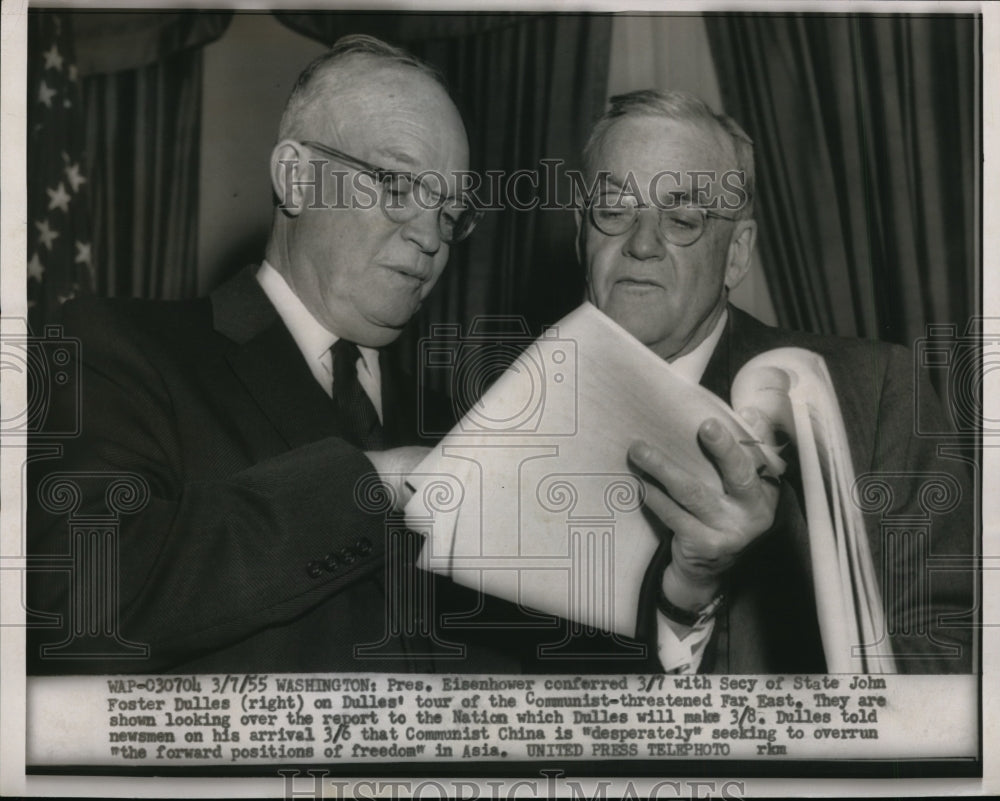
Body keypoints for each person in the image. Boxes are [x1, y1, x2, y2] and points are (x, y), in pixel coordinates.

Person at [27, 35, 503, 674]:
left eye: (451, 212)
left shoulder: (463, 424)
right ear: (296, 178)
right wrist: (372, 484)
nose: (429, 238)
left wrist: (676, 605)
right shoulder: (122, 348)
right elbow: (78, 601)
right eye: (397, 185)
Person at [573, 89, 974, 674]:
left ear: (737, 255)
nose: (640, 244)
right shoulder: (506, 419)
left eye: (682, 219)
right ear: (578, 234)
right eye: (613, 210)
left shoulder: (877, 391)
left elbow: (955, 663)